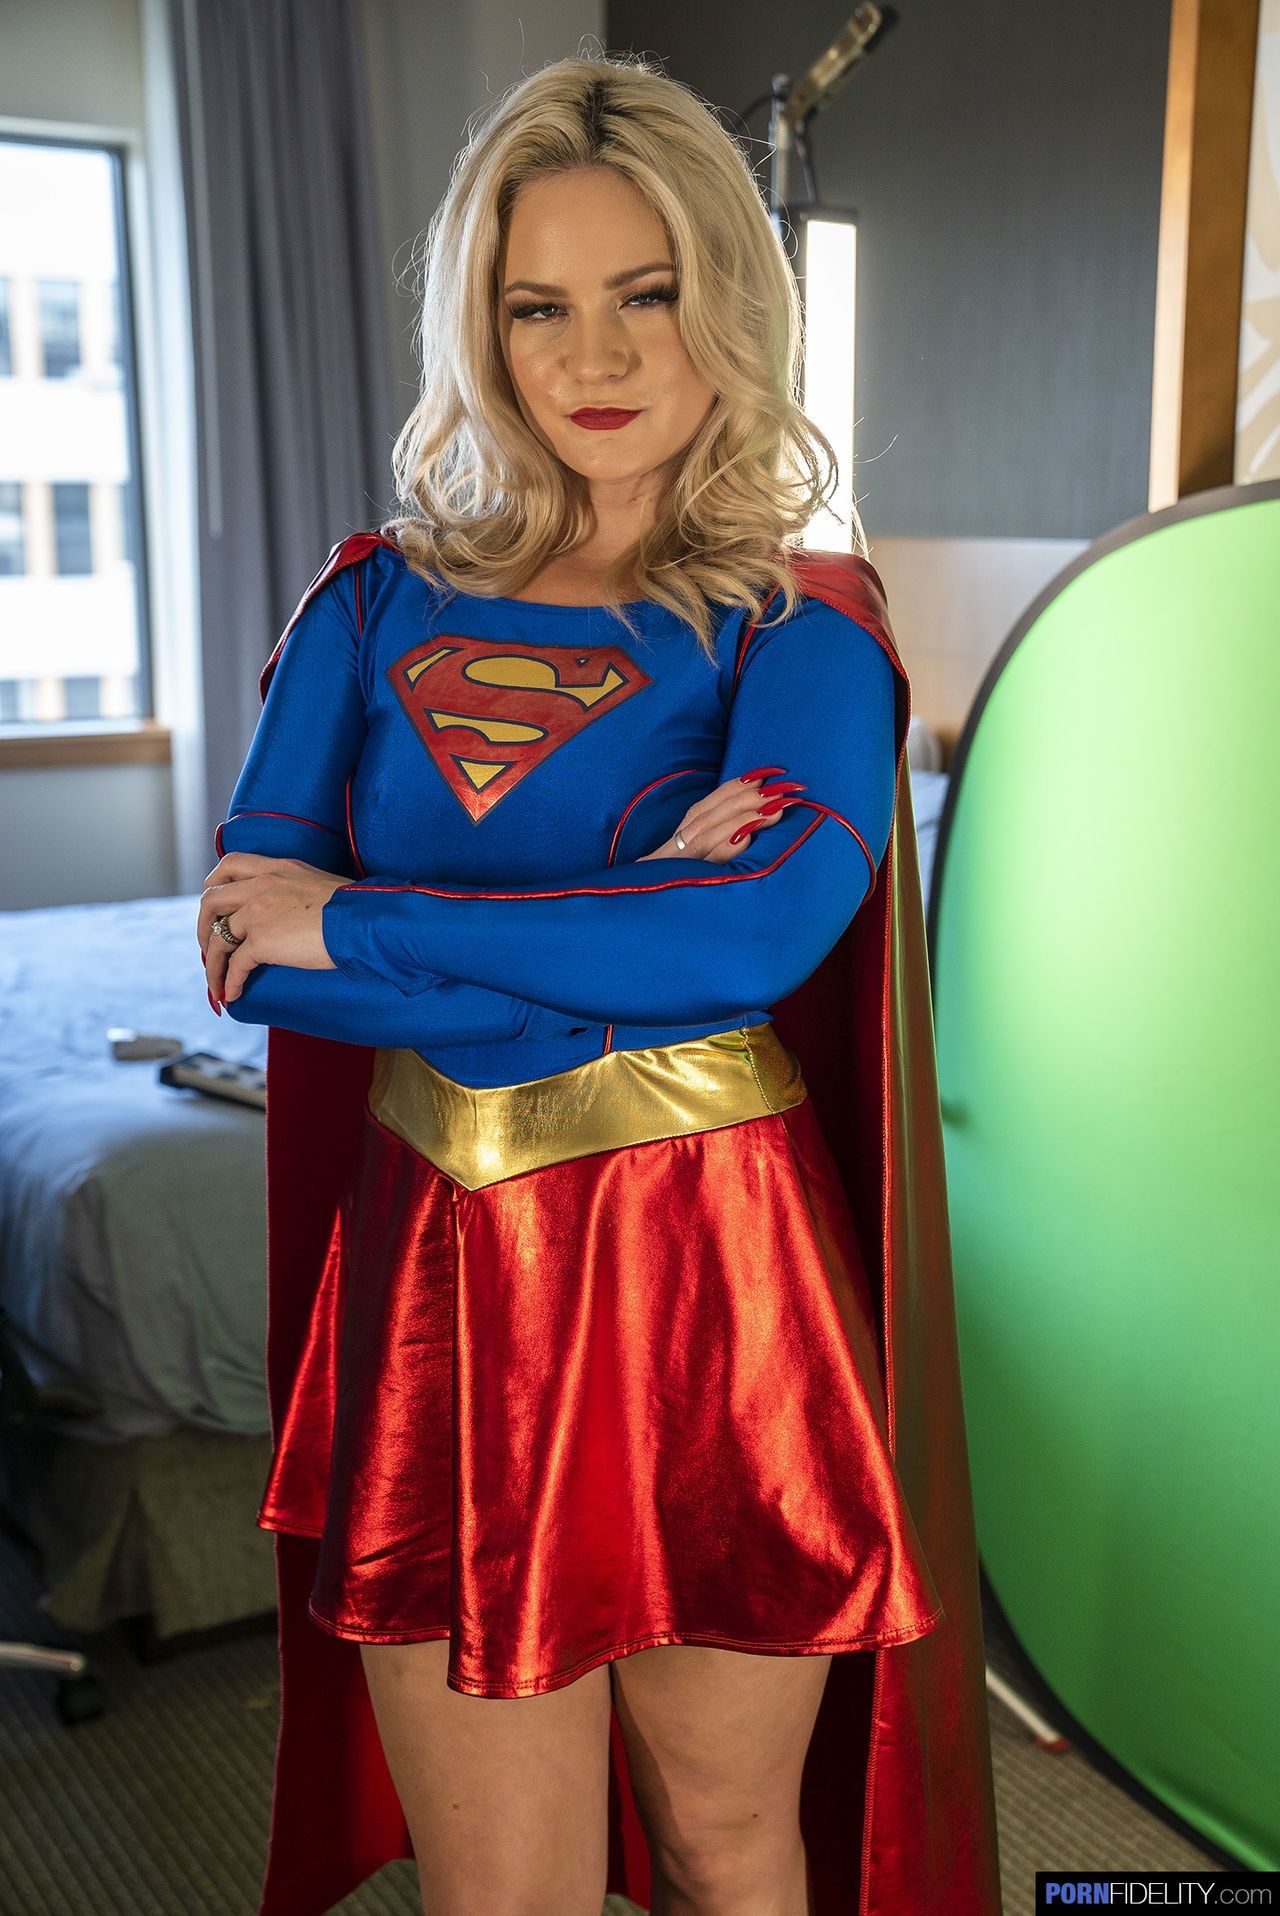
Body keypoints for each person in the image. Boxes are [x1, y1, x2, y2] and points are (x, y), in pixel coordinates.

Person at [197, 52, 1002, 1916]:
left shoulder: (800, 626)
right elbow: (249, 954)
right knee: (504, 1893)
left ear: (730, 297)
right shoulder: (369, 601)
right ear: (479, 331)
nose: (597, 356)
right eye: (536, 306)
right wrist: (625, 920)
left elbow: (750, 942)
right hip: (443, 1276)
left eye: (647, 292)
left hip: (710, 1277)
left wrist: (363, 922)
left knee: (731, 1853)